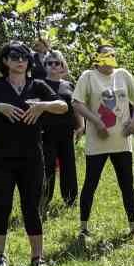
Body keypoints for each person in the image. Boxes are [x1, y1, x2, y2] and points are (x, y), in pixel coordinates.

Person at [0, 40, 68, 266]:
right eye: (15, 57)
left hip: (32, 156)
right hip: (0, 159)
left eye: (24, 57)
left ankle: (37, 258)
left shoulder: (37, 85)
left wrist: (42, 106)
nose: (21, 61)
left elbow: (63, 105)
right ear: (5, 61)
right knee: (1, 206)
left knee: (32, 207)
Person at [70, 44, 134, 239]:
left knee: (127, 184)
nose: (110, 58)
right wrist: (97, 123)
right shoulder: (88, 76)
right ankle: (83, 228)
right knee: (90, 184)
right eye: (105, 55)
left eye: (113, 54)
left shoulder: (123, 75)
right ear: (98, 57)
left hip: (122, 142)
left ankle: (133, 227)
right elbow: (77, 103)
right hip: (97, 142)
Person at [38, 49, 80, 217]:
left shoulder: (68, 84)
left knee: (68, 166)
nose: (54, 66)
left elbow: (76, 105)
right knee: (47, 167)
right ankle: (43, 202)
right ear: (45, 65)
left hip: (67, 132)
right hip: (46, 133)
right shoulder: (39, 84)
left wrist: (81, 126)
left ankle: (70, 200)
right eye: (50, 63)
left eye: (57, 63)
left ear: (63, 65)